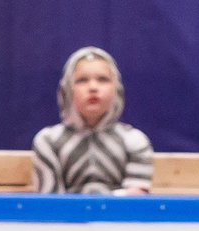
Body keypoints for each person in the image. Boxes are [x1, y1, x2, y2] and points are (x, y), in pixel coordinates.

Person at [31, 47, 154, 194]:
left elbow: (136, 198)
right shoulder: (48, 141)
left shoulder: (134, 140)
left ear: (117, 89)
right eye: (82, 80)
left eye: (103, 79)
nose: (93, 87)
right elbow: (50, 201)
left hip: (118, 211)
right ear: (66, 90)